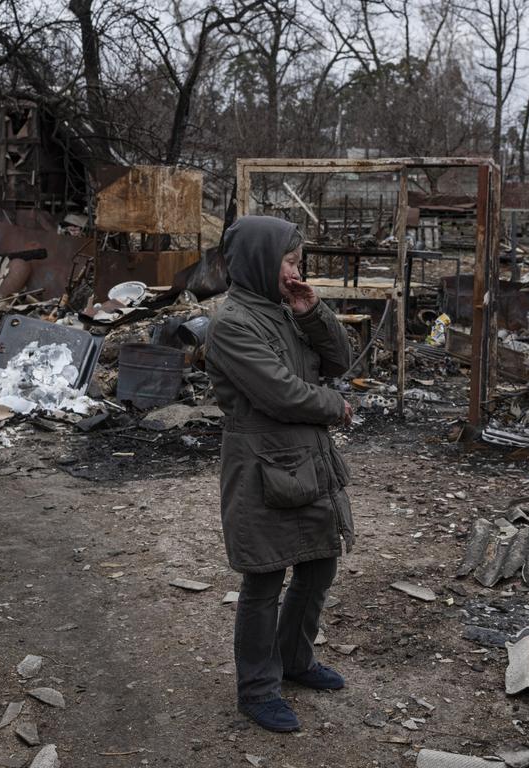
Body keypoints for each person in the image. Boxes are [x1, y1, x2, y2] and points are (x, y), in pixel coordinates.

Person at [205, 215, 355, 733]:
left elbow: (340, 360)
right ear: (262, 261)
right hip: (260, 464)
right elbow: (280, 393)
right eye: (290, 262)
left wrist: (313, 312)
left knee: (318, 565)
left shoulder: (287, 309)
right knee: (265, 577)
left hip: (308, 457)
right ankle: (258, 689)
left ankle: (295, 660)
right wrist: (335, 406)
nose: (296, 272)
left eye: (297, 262)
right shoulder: (232, 324)